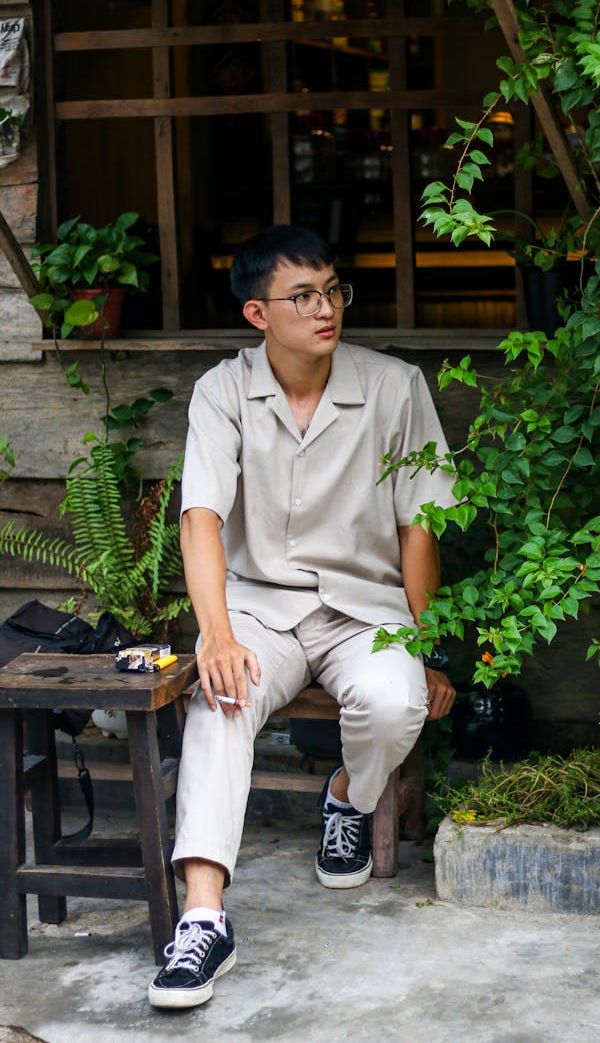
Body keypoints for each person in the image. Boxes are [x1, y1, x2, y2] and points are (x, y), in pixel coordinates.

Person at [148, 225, 456, 1010]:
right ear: (258, 313)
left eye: (333, 290)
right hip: (261, 607)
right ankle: (203, 918)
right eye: (304, 296)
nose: (327, 309)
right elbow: (202, 519)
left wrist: (427, 647)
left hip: (367, 609)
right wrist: (215, 635)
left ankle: (347, 795)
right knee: (218, 694)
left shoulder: (394, 386)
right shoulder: (223, 391)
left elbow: (421, 528)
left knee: (394, 702)